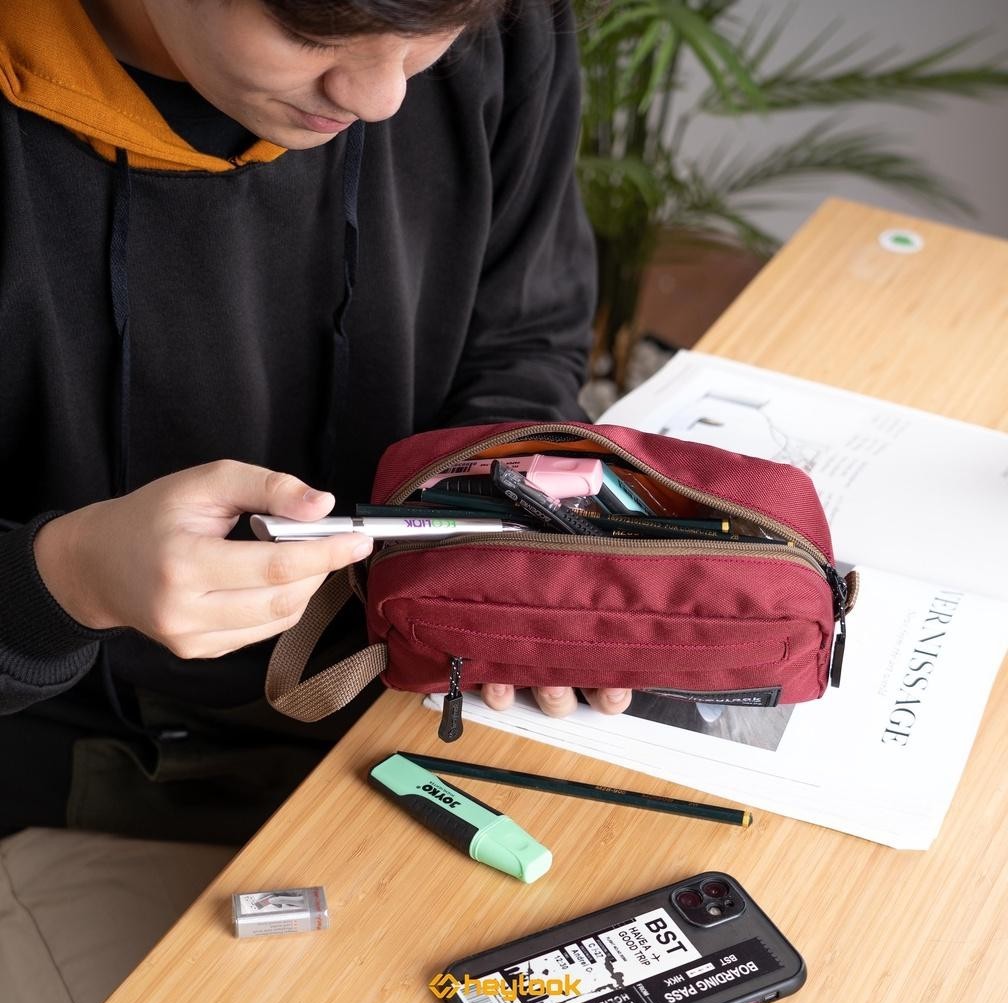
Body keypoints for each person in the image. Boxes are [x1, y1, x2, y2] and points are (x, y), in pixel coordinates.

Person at [0, 0, 633, 846]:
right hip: (85, 769)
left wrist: (504, 548)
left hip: (423, 711)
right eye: (316, 34)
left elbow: (523, 331)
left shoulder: (498, 23)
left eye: (427, 37)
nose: (380, 96)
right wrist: (70, 581)